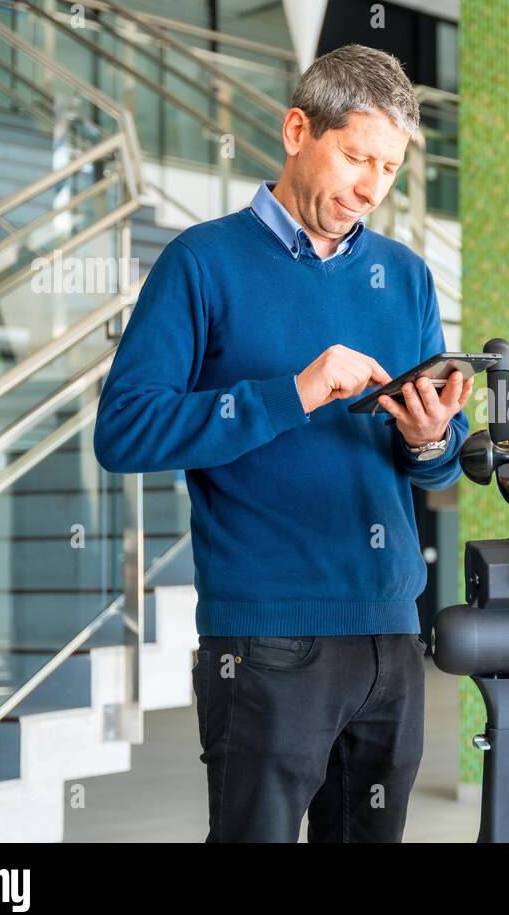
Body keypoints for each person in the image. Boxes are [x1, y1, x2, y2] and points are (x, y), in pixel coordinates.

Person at [94, 44, 471, 842]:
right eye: (356, 156)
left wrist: (432, 438)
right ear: (299, 129)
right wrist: (293, 394)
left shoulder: (406, 277)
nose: (371, 187)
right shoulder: (200, 262)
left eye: (390, 169)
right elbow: (124, 430)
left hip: (391, 635)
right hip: (266, 641)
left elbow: (437, 456)